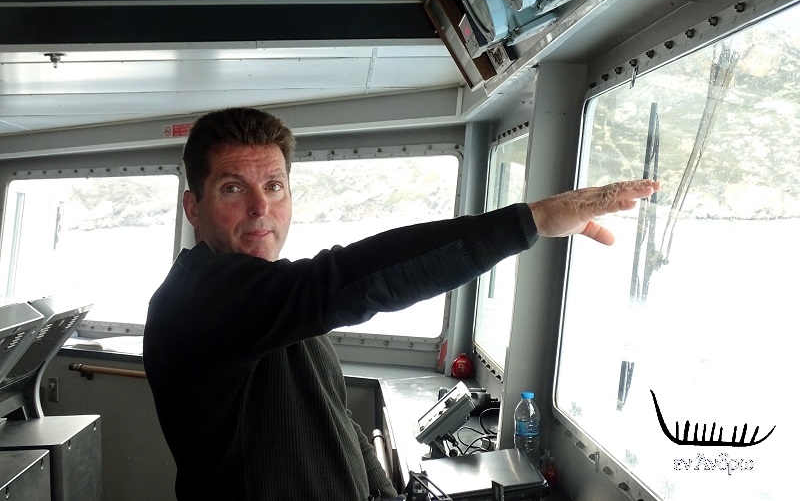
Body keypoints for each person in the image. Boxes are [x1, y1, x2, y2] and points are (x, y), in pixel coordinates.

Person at [143, 107, 660, 500]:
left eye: (274, 186)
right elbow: (355, 279)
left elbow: (335, 420)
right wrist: (533, 221)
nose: (261, 208)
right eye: (233, 189)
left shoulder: (271, 298)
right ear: (194, 207)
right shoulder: (198, 301)